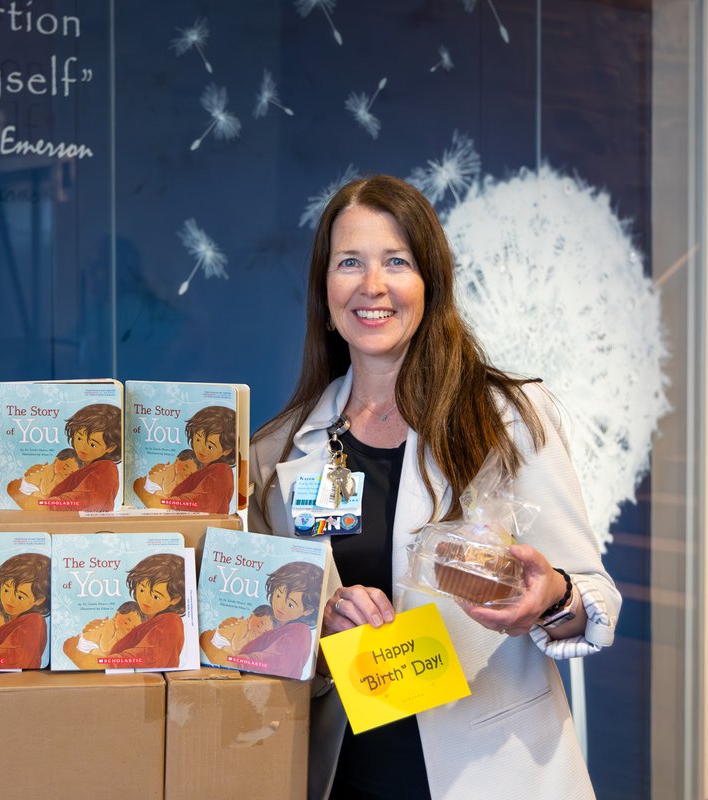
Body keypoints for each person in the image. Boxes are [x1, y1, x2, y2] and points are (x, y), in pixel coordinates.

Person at [247, 175, 620, 800]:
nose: (373, 286)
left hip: (493, 771)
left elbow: (594, 598)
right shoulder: (278, 450)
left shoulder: (508, 419)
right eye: (350, 263)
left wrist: (550, 598)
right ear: (325, 290)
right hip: (347, 776)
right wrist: (316, 630)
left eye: (397, 261)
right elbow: (263, 634)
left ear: (431, 284)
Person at [201, 562, 323, 679]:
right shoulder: (275, 626)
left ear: (308, 611)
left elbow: (254, 664)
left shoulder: (298, 633)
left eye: (290, 604)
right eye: (278, 595)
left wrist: (209, 645)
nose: (279, 606)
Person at [63, 553, 187, 669]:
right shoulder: (142, 618)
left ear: (175, 599)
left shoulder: (170, 623)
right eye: (142, 589)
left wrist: (78, 654)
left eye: (155, 596)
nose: (144, 599)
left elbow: (134, 660)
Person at [11, 403, 123, 511]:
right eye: (79, 438)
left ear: (111, 447)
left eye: (92, 444)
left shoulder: (105, 469)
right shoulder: (82, 466)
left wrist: (16, 493)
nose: (82, 447)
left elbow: (64, 507)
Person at [135, 406, 237, 513]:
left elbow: (185, 505)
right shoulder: (203, 470)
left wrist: (141, 490)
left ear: (227, 450)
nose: (200, 448)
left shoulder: (220, 473)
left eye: (210, 446)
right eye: (197, 439)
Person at [5, 447, 83, 504]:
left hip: (36, 488)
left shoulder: (58, 474)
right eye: (65, 467)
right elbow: (45, 491)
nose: (66, 473)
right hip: (28, 487)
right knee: (41, 498)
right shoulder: (49, 470)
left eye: (71, 473)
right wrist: (56, 482)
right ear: (56, 461)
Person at [72, 601, 147, 656]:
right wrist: (117, 638)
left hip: (100, 645)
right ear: (116, 615)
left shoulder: (119, 629)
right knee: (104, 656)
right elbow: (104, 648)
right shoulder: (110, 625)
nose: (128, 628)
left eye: (133, 628)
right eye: (126, 622)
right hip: (87, 644)